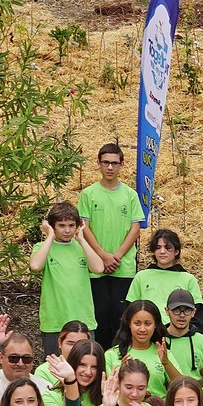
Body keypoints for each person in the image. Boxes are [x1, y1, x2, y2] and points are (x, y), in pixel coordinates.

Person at [77, 142, 145, 344]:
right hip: (95, 267)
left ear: (121, 165)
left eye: (114, 163)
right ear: (98, 163)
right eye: (105, 162)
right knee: (99, 318)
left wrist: (116, 256)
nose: (109, 167)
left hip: (122, 267)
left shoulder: (130, 195)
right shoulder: (88, 194)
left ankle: (120, 357)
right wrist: (102, 255)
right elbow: (84, 227)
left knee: (121, 318)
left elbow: (135, 228)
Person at [109, 300, 169, 398]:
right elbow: (108, 392)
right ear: (129, 324)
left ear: (155, 325)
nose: (142, 329)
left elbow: (181, 386)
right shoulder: (111, 355)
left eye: (147, 324)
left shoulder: (162, 352)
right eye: (137, 323)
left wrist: (166, 363)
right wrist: (121, 373)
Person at [157, 289, 203, 385]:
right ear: (167, 311)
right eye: (176, 310)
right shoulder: (158, 341)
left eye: (187, 310)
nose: (182, 315)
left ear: (193, 312)